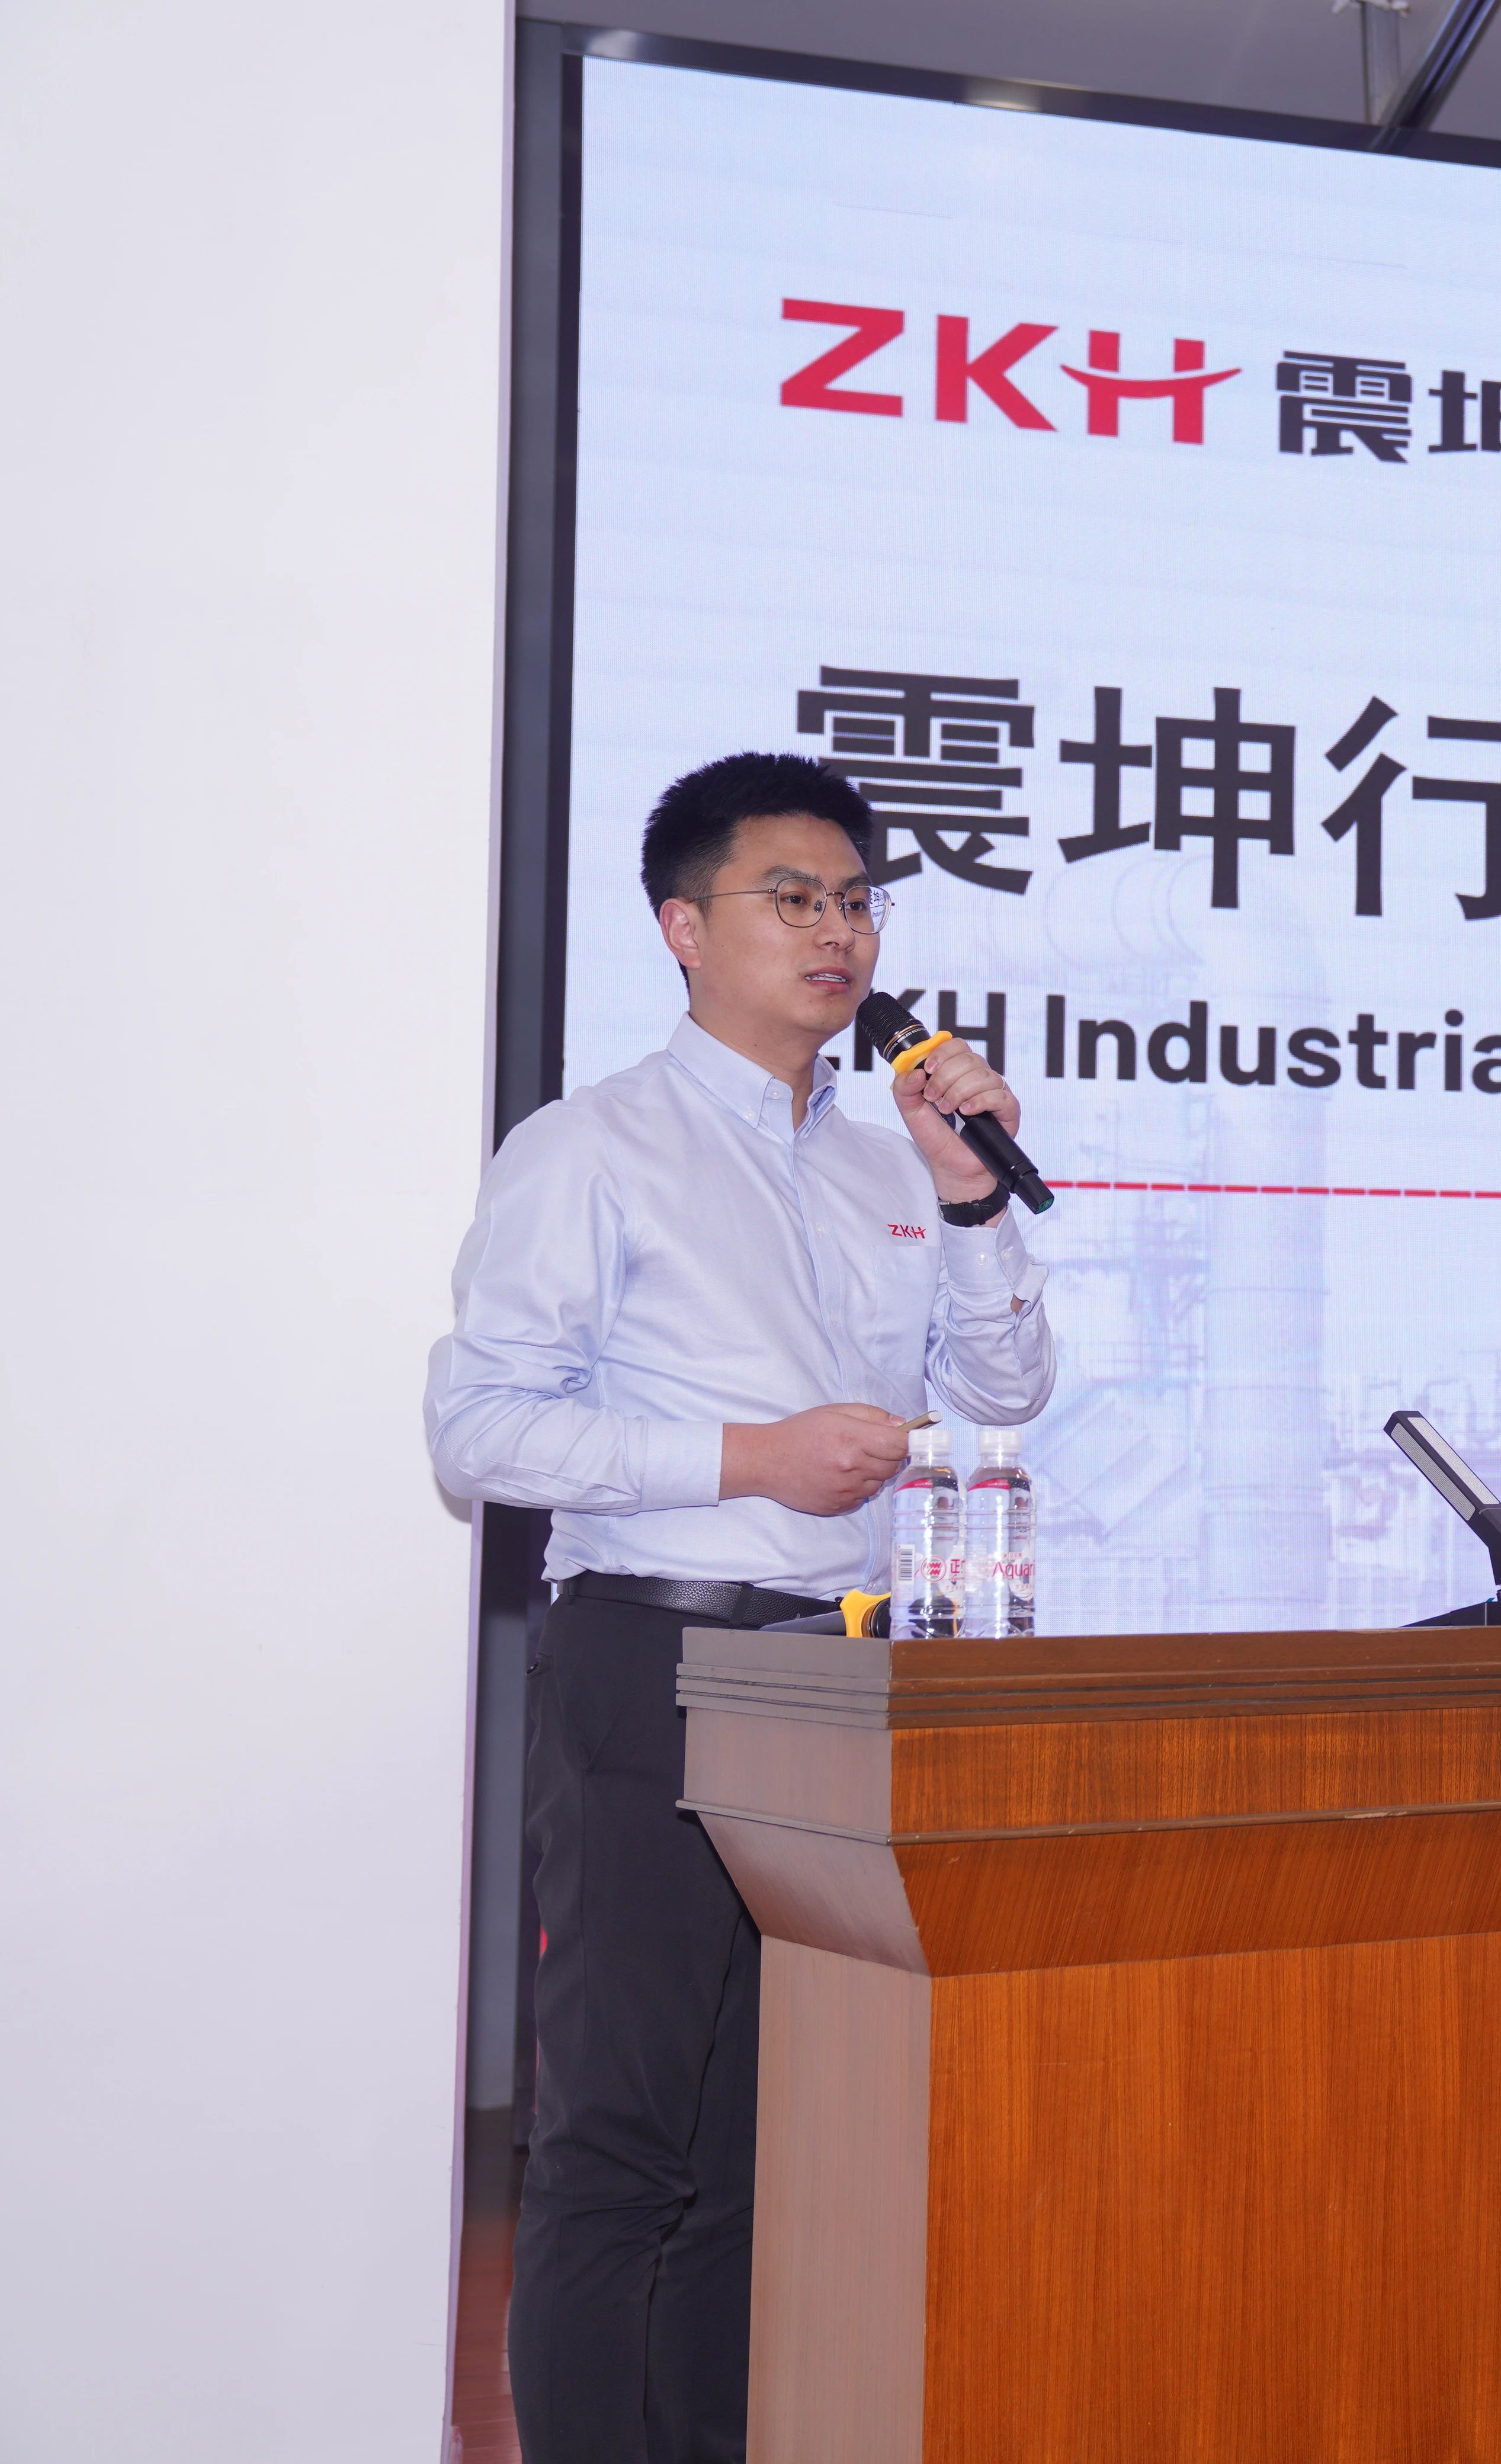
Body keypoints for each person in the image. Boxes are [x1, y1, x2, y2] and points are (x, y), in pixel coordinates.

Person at [426, 752, 1055, 2462]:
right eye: (792, 899)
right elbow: (479, 1433)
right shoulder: (592, 1147)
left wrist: (971, 1195)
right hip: (658, 1655)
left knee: (753, 2153)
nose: (836, 931)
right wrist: (749, 1458)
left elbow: (1005, 1391)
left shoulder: (887, 1160)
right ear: (682, 929)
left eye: (856, 900)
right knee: (622, 2145)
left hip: (836, 1683)